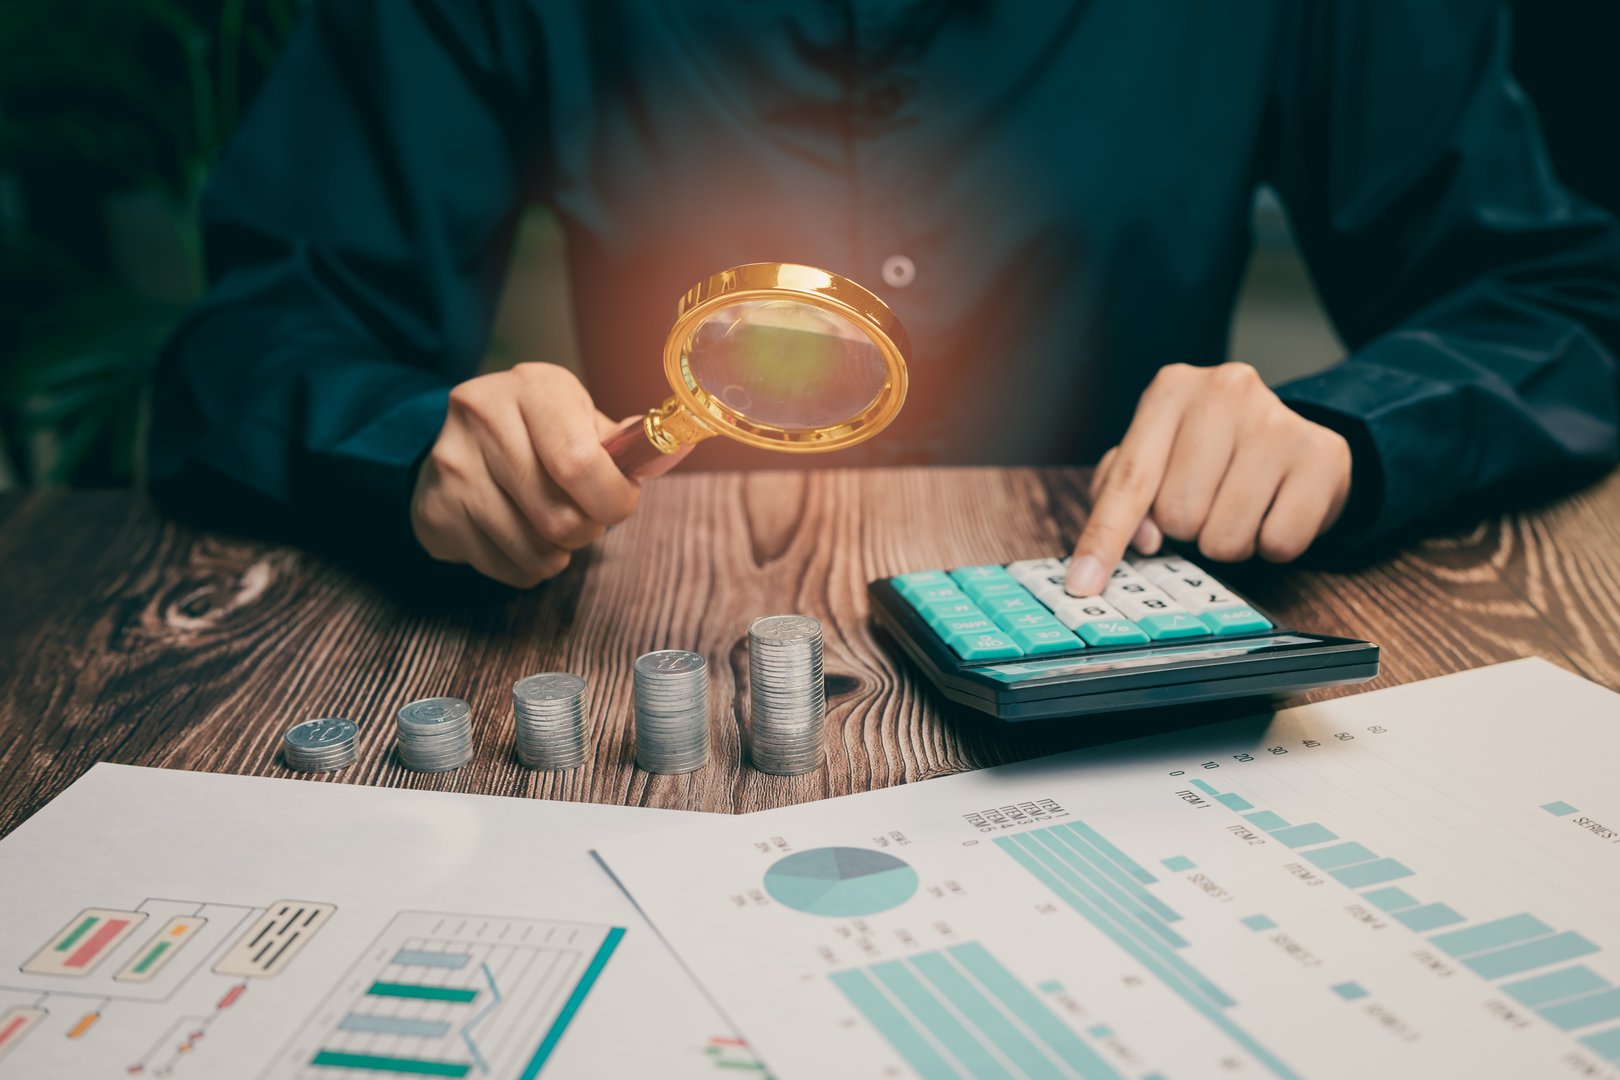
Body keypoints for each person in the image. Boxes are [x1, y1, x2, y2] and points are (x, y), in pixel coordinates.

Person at [150, 1, 1620, 593]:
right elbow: (254, 339)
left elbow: (1562, 291)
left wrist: (1347, 431)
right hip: (654, 643)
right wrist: (412, 442)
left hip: (1126, 647)